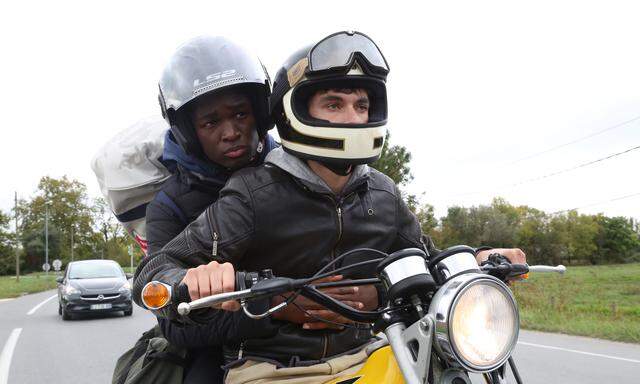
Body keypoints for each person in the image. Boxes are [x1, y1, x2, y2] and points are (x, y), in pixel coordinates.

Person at [133, 31, 526, 384]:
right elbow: (155, 276)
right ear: (294, 111)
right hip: (274, 366)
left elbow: (426, 257)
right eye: (334, 105)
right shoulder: (250, 193)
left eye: (362, 105)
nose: (353, 118)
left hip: (369, 350)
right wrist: (219, 287)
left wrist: (479, 258)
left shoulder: (382, 192)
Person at [146, 35, 278, 384]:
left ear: (261, 113)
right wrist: (275, 310)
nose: (231, 131)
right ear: (188, 132)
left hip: (325, 326)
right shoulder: (168, 206)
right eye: (210, 122)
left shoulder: (296, 170)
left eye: (240, 113)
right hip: (221, 347)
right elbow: (171, 323)